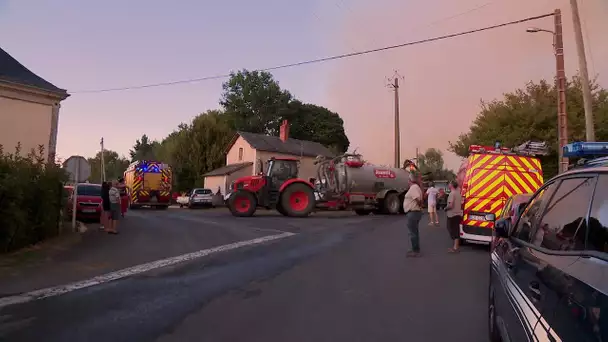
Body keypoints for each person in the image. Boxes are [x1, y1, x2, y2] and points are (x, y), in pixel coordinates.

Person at [403, 173, 423, 257]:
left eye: (408, 180)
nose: (407, 181)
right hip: (414, 212)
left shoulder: (413, 187)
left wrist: (419, 205)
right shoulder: (415, 187)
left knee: (412, 232)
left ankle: (415, 251)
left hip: (413, 212)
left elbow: (418, 199)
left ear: (410, 180)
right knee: (414, 231)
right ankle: (415, 248)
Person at [445, 181, 463, 253]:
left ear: (451, 185)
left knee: (451, 228)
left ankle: (455, 247)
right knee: (455, 229)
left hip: (452, 214)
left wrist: (445, 208)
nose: (448, 185)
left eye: (449, 184)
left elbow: (450, 205)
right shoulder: (458, 193)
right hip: (458, 214)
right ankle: (456, 246)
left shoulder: (452, 194)